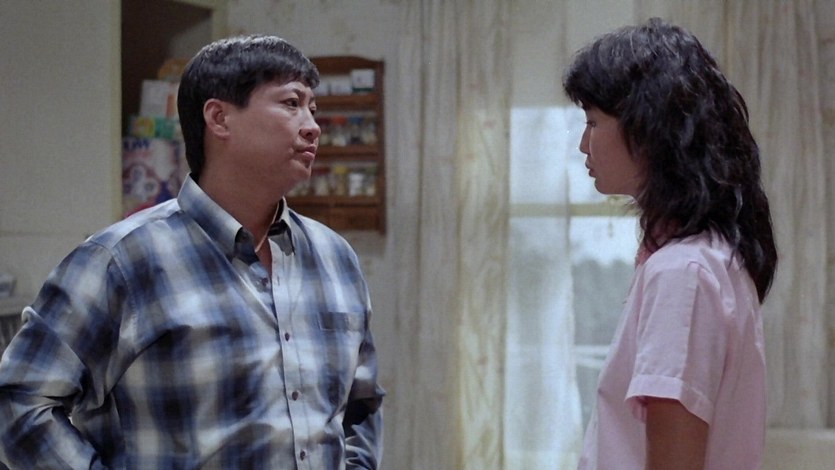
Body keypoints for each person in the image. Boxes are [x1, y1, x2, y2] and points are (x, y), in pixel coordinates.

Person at [0, 34, 384, 469]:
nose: (312, 125)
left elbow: (361, 407)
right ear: (219, 118)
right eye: (291, 103)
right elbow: (21, 400)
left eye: (313, 108)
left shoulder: (335, 258)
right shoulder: (122, 260)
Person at [563, 18, 777, 469]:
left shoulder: (683, 271)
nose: (583, 144)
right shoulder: (702, 258)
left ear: (647, 128)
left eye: (593, 122)